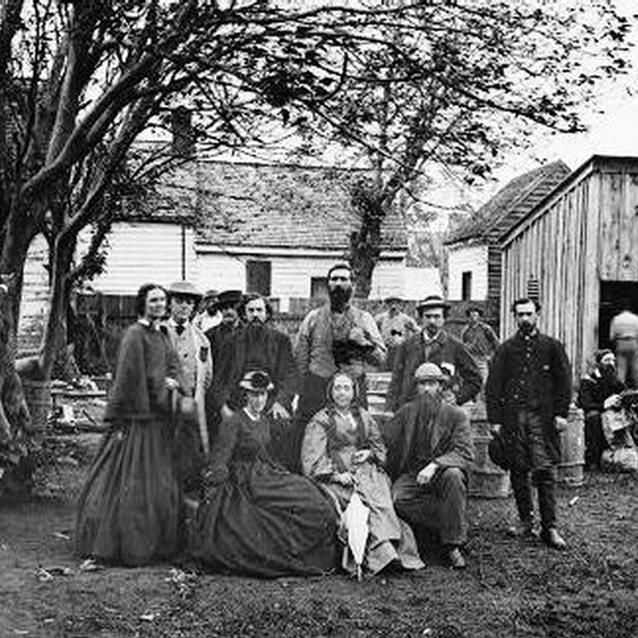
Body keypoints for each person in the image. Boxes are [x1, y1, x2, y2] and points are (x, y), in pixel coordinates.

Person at [75, 284, 182, 566]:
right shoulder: (135, 335)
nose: (159, 304)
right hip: (138, 419)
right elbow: (128, 377)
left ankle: (156, 542)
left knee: (158, 484)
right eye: (154, 300)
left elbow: (172, 366)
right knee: (131, 482)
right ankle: (123, 544)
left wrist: (173, 383)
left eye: (162, 300)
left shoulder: (161, 334)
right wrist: (160, 388)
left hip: (158, 419)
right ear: (142, 304)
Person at [191, 370, 337, 577]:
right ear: (245, 395)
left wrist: (280, 472)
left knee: (306, 492)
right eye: (254, 394)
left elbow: (264, 453)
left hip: (264, 471)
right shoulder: (233, 422)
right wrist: (213, 487)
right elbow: (220, 457)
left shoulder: (264, 420)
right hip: (243, 479)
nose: (259, 400)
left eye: (263, 395)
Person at [302, 372, 425, 576]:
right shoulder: (321, 420)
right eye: (337, 388)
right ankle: (382, 554)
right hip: (336, 475)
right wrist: (335, 475)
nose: (342, 393)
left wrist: (369, 453)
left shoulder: (364, 416)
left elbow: (379, 447)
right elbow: (312, 457)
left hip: (366, 471)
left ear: (354, 392)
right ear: (331, 392)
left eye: (346, 388)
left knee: (381, 502)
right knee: (360, 506)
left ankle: (393, 550)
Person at [485, 298, 572, 550]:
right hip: (514, 420)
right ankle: (526, 521)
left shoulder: (552, 347)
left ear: (538, 315)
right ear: (514, 317)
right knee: (518, 470)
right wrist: (495, 420)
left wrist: (561, 414)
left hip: (542, 420)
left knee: (545, 471)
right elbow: (493, 387)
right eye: (520, 314)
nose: (524, 318)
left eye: (529, 314)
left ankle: (550, 527)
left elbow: (564, 383)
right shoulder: (505, 349)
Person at [294, 263, 386, 467]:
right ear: (327, 285)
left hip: (352, 389)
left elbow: (381, 359)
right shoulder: (313, 318)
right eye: (334, 279)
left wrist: (364, 343)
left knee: (355, 440)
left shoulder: (364, 319)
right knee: (309, 439)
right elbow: (300, 358)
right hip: (316, 389)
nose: (338, 283)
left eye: (343, 279)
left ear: (352, 285)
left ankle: (354, 485)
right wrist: (301, 391)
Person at [384, 362, 474, 569]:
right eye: (422, 384)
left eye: (431, 384)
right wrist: (369, 449)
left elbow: (465, 452)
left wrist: (435, 464)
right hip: (413, 473)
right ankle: (447, 526)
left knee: (454, 475)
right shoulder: (407, 412)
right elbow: (385, 439)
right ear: (416, 387)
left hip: (442, 473)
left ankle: (452, 546)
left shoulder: (456, 415)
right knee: (397, 499)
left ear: (440, 386)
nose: (426, 389)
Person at [386, 295, 481, 412]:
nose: (432, 321)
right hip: (410, 412)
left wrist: (457, 397)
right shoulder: (407, 346)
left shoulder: (455, 346)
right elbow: (396, 381)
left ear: (444, 319)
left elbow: (475, 379)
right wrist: (390, 410)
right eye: (428, 316)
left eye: (437, 317)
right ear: (421, 318)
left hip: (442, 412)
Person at [213, 293, 297, 422]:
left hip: (270, 403)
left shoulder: (281, 341)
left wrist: (280, 403)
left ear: (267, 314)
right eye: (251, 310)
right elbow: (220, 379)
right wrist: (224, 407)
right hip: (238, 404)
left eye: (259, 310)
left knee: (283, 426)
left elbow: (289, 376)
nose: (255, 315)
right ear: (244, 315)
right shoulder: (231, 341)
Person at [164, 281, 213, 488]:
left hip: (191, 403)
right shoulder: (156, 332)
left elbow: (208, 374)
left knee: (188, 449)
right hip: (162, 402)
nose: (184, 307)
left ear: (194, 307)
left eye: (189, 303)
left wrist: (195, 395)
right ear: (170, 304)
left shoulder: (201, 338)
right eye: (179, 301)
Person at [577, 349, 625, 470]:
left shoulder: (613, 378)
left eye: (613, 360)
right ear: (598, 363)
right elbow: (585, 403)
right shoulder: (588, 380)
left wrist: (621, 401)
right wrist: (604, 405)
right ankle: (593, 459)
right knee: (594, 416)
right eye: (607, 360)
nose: (611, 363)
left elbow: (623, 392)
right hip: (595, 413)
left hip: (612, 413)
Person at [374, 296, 419, 371]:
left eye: (396, 303)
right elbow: (371, 329)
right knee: (383, 370)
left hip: (399, 349)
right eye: (391, 303)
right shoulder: (380, 318)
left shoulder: (405, 319)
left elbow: (417, 330)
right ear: (387, 304)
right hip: (385, 349)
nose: (393, 306)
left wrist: (410, 342)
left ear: (400, 305)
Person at [204, 289, 243, 367]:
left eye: (232, 307)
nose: (228, 312)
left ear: (239, 310)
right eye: (225, 308)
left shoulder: (249, 333)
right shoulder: (210, 335)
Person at [461, 306, 499, 384]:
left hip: (482, 359)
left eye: (475, 315)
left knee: (484, 381)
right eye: (471, 316)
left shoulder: (485, 329)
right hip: (471, 359)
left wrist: (491, 356)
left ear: (479, 317)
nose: (473, 318)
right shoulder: (466, 330)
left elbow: (495, 342)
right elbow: (463, 345)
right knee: (471, 381)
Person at [609, 299, 638, 387]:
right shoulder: (636, 318)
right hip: (633, 342)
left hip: (621, 343)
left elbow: (611, 336)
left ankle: (620, 389)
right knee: (635, 367)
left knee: (621, 368)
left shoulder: (616, 319)